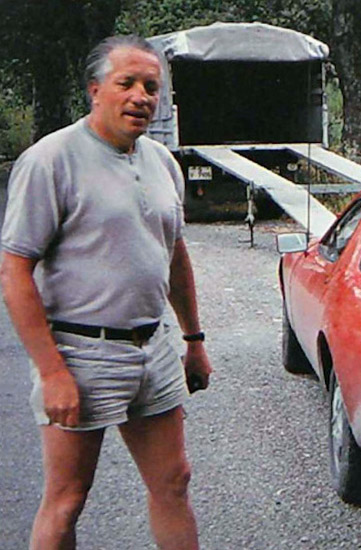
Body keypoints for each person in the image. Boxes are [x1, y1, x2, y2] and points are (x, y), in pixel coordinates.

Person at [0, 35, 212, 549]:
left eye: (151, 87)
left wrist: (193, 339)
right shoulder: (51, 161)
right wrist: (52, 372)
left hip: (153, 348)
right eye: (127, 84)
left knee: (173, 482)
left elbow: (174, 253)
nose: (141, 96)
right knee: (67, 499)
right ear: (96, 90)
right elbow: (14, 270)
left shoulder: (162, 161)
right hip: (80, 353)